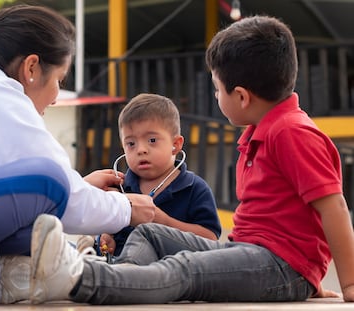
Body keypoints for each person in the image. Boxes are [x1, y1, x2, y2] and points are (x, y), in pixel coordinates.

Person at [28, 15, 354, 304]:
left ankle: (80, 279)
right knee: (148, 233)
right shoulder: (262, 134)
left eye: (217, 89)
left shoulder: (291, 133)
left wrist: (345, 282)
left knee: (186, 270)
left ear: (241, 96)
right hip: (257, 258)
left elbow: (333, 207)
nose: (215, 96)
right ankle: (119, 283)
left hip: (278, 265)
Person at [0, 5, 155, 307]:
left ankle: (11, 275)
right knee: (48, 179)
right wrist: (124, 208)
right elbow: (52, 176)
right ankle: (15, 274)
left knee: (46, 232)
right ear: (31, 67)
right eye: (60, 79)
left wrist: (79, 187)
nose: (56, 96)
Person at [93, 93, 221, 258]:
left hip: (175, 275)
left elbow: (210, 241)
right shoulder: (119, 188)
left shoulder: (194, 188)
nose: (141, 150)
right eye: (131, 143)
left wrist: (162, 221)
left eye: (152, 140)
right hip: (122, 273)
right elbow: (104, 231)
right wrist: (104, 239)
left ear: (175, 145)